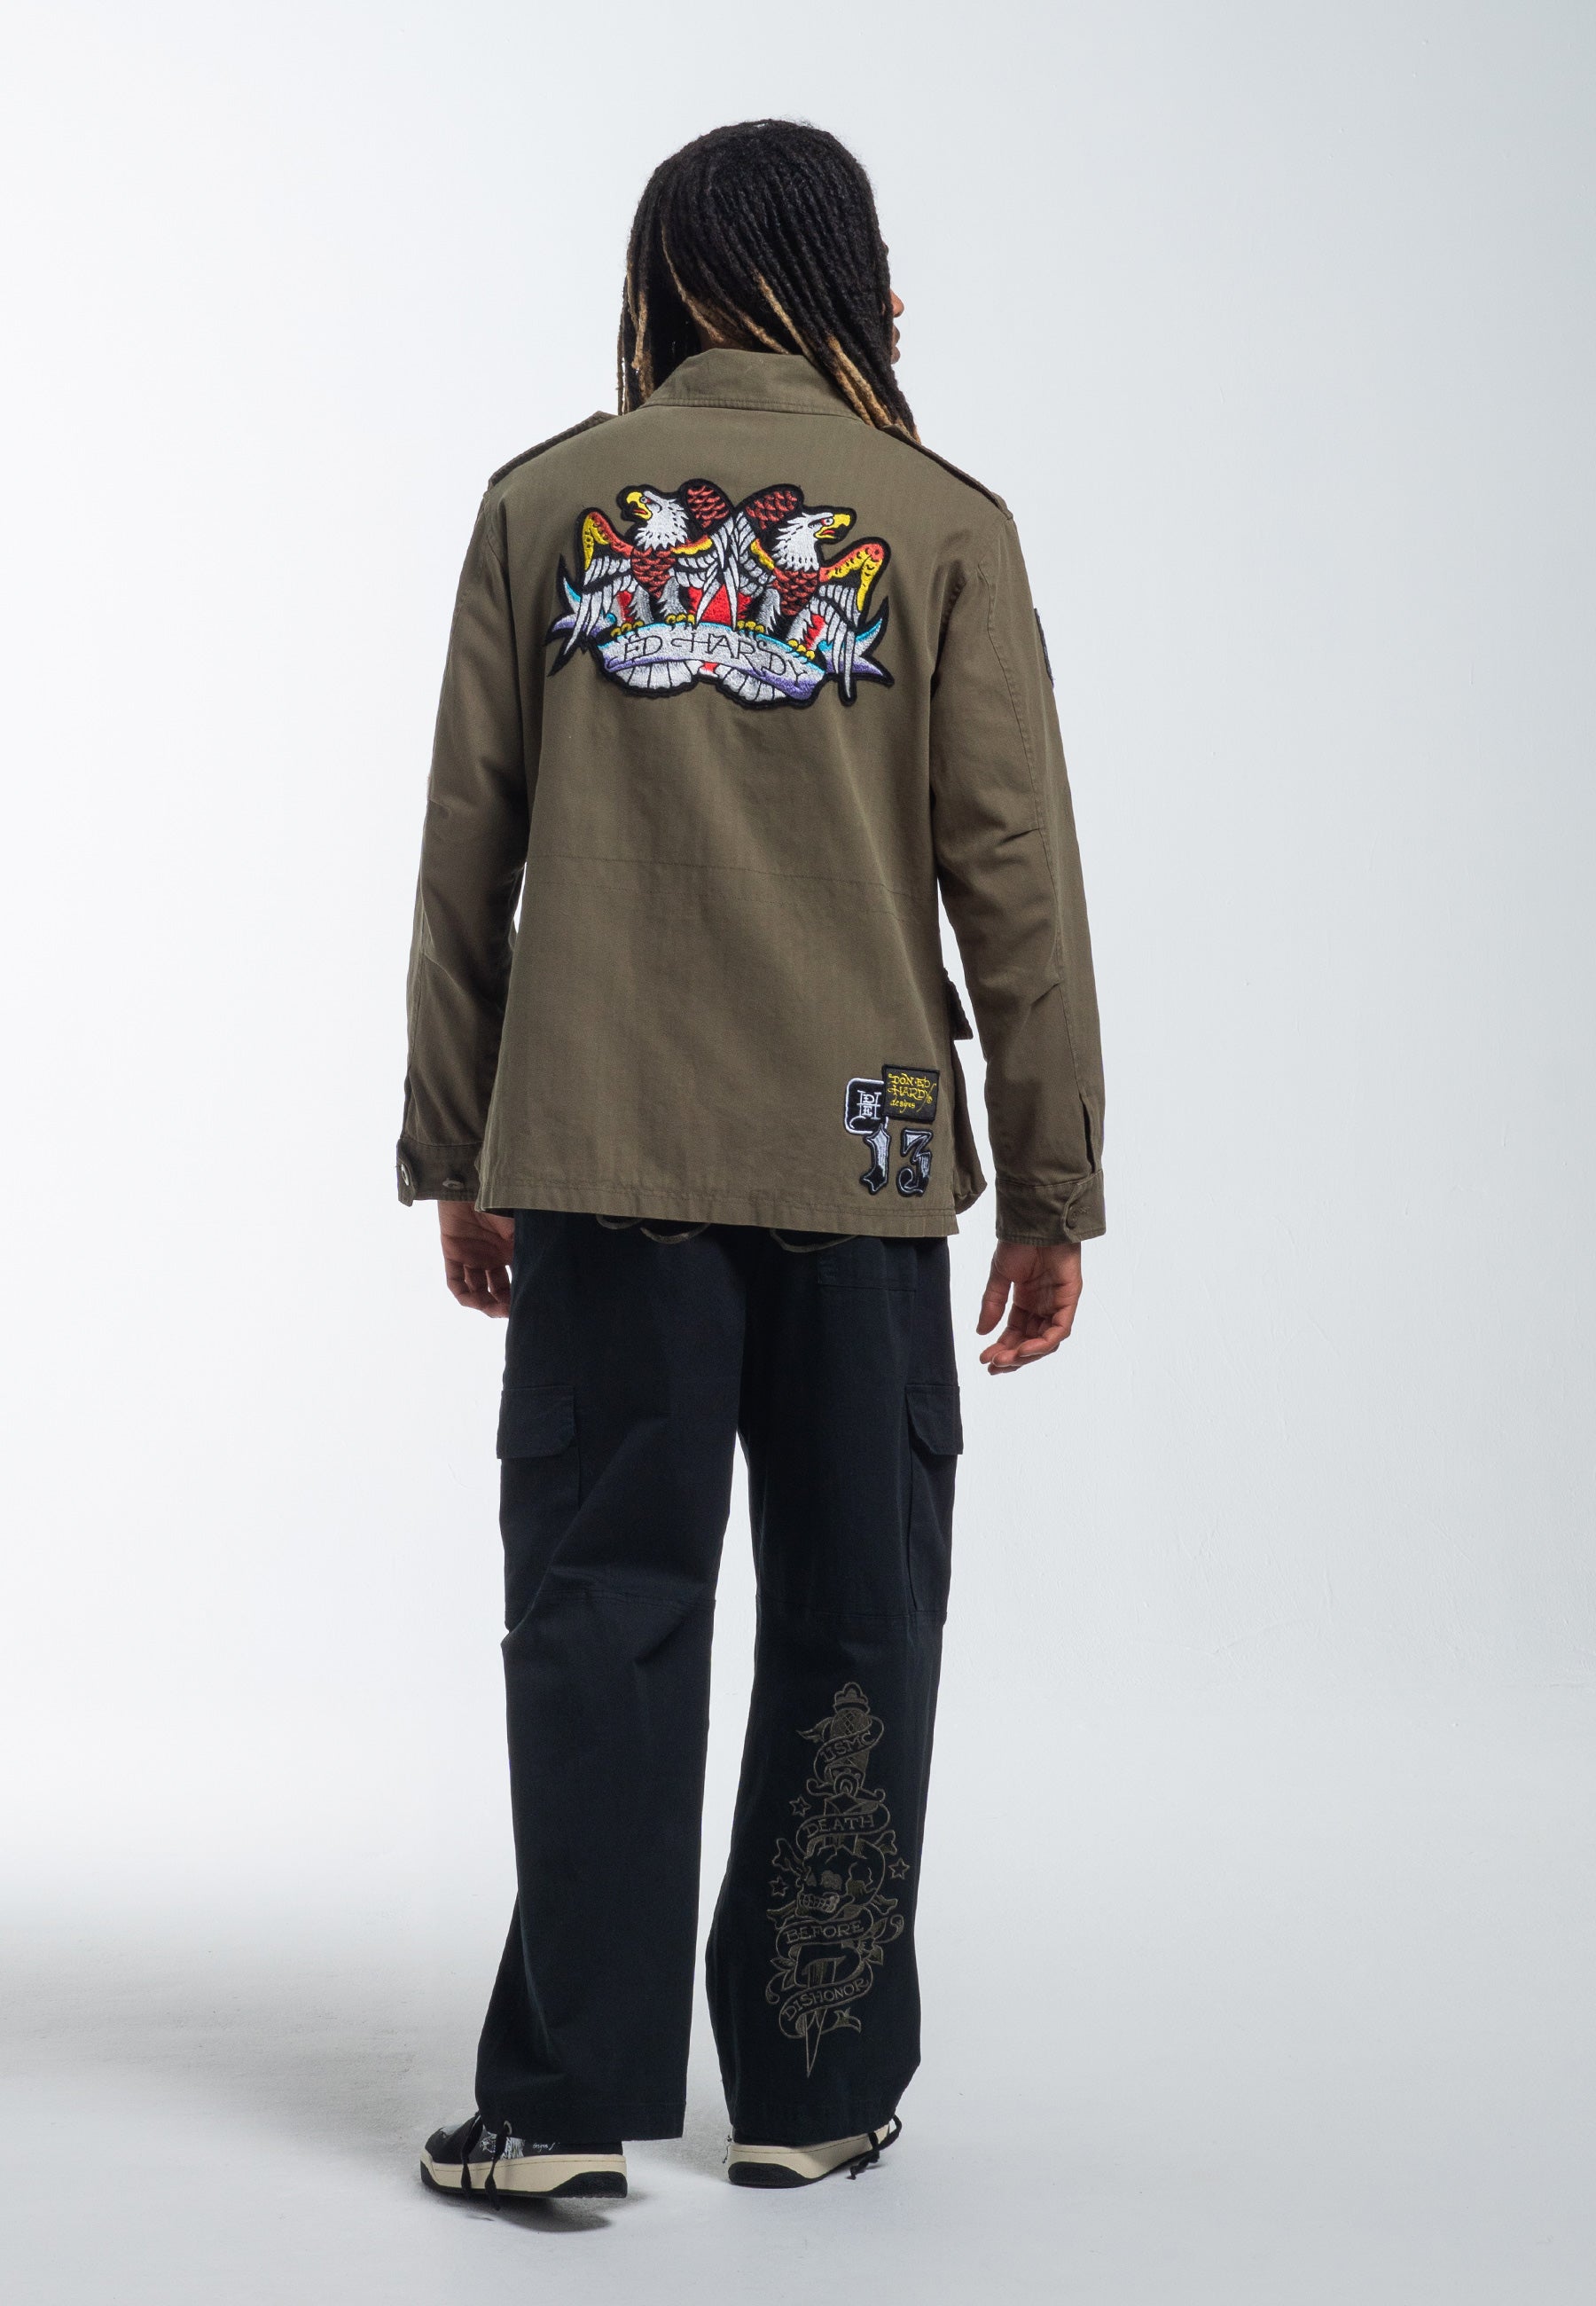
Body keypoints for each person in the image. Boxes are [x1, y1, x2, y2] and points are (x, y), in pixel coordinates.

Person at [397, 119, 1105, 2202]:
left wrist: (458, 1142)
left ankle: (559, 2106)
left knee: (601, 1610)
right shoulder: (940, 520)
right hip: (862, 1162)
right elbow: (1019, 881)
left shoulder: (548, 506)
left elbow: (465, 863)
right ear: (849, 283)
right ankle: (811, 2081)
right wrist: (1052, 1182)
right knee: (856, 1614)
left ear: (660, 281)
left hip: (599, 1148)